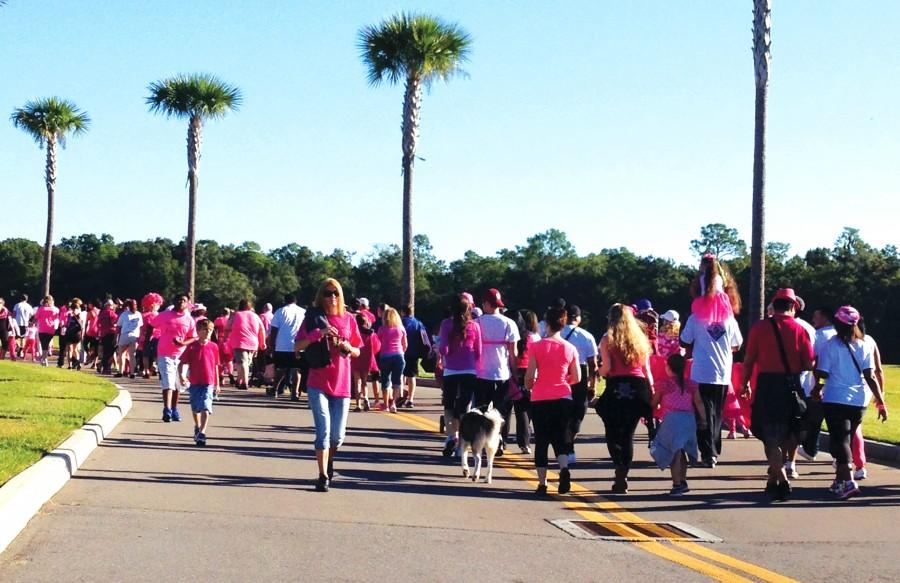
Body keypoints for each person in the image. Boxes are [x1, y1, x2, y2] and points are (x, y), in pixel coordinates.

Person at [740, 288, 813, 501]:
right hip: (791, 385)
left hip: (767, 385)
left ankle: (777, 478)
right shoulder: (800, 330)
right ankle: (778, 476)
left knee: (770, 436)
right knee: (788, 433)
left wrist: (744, 383)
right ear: (792, 307)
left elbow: (749, 359)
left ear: (774, 305)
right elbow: (809, 363)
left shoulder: (760, 327)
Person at [293, 278, 362, 492]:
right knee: (322, 431)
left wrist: (348, 347)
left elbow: (359, 349)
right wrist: (318, 334)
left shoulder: (349, 319)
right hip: (318, 382)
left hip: (342, 384)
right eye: (327, 293)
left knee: (338, 436)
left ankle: (329, 460)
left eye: (336, 293)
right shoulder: (314, 318)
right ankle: (322, 475)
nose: (332, 297)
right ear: (320, 296)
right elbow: (297, 346)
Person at [813, 306, 888, 499]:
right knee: (845, 437)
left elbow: (822, 374)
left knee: (840, 441)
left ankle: (848, 482)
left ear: (837, 324)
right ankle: (839, 481)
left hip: (835, 399)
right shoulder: (865, 344)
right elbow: (870, 375)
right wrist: (880, 402)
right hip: (859, 401)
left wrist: (817, 389)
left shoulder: (830, 345)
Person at [680, 292, 743, 468]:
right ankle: (714, 450)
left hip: (700, 372)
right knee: (716, 413)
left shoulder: (695, 318)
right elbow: (737, 344)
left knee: (702, 413)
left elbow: (685, 340)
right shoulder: (730, 320)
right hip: (722, 373)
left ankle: (708, 452)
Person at [597, 304, 653, 494]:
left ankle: (619, 464)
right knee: (628, 433)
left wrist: (598, 371)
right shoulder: (640, 339)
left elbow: (607, 367)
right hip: (638, 386)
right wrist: (651, 391)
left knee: (612, 430)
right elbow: (646, 369)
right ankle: (624, 472)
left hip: (617, 386)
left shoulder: (607, 339)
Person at [524, 302, 579, 496]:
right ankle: (564, 468)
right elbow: (577, 377)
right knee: (560, 437)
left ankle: (542, 482)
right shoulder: (570, 348)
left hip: (540, 397)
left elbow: (530, 375)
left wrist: (530, 385)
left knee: (542, 440)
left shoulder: (537, 347)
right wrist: (564, 380)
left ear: (547, 323)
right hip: (563, 396)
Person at [649, 354, 707, 496]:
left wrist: (650, 410)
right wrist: (704, 419)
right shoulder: (691, 384)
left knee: (674, 453)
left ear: (668, 368)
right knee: (682, 452)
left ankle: (677, 484)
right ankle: (683, 480)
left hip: (672, 420)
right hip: (688, 419)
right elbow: (699, 402)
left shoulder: (664, 384)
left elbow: (654, 403)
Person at [475, 288, 519, 454]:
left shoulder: (477, 323)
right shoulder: (509, 323)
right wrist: (515, 373)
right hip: (502, 373)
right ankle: (500, 438)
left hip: (481, 373)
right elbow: (513, 353)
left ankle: (483, 438)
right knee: (502, 410)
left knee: (482, 409)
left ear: (485, 304)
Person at [438, 294, 482, 457]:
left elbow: (444, 349)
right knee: (464, 408)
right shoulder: (475, 326)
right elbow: (479, 351)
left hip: (451, 370)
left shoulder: (446, 324)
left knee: (449, 405)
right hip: (469, 371)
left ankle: (451, 436)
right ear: (469, 308)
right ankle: (462, 443)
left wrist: (444, 352)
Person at [559, 304, 598, 464]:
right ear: (578, 318)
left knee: (563, 411)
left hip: (560, 374)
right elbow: (593, 365)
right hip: (580, 375)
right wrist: (592, 385)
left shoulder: (557, 333)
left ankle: (563, 444)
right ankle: (570, 443)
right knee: (578, 411)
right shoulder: (586, 336)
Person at [151, 295, 198, 422]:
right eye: (178, 300)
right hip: (165, 353)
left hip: (181, 356)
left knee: (178, 384)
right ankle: (167, 410)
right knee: (168, 381)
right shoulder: (165, 315)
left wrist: (183, 343)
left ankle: (174, 408)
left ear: (187, 303)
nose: (180, 302)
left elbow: (193, 337)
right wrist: (149, 340)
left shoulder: (189, 320)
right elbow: (152, 324)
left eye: (183, 301)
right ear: (173, 302)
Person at [178, 318, 220, 446]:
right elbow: (182, 363)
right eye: (205, 330)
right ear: (198, 331)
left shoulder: (214, 347)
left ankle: (202, 433)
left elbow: (216, 365)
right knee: (195, 407)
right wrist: (182, 376)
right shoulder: (191, 347)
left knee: (206, 406)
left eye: (211, 330)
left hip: (208, 382)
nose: (208, 332)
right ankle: (197, 426)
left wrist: (217, 384)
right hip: (195, 382)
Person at [508, 309, 539, 453]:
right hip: (529, 372)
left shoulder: (511, 336)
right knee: (523, 410)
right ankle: (524, 442)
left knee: (505, 408)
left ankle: (501, 440)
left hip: (512, 372)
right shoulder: (534, 337)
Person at [268, 294, 306, 400]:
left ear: (285, 301)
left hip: (282, 345)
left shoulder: (280, 311)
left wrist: (271, 345)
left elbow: (274, 330)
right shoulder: (303, 312)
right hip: (299, 345)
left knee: (281, 369)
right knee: (297, 370)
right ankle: (295, 393)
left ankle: (275, 389)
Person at [226, 299, 266, 390]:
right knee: (245, 363)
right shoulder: (255, 316)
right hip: (252, 342)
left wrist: (230, 318)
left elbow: (227, 327)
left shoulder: (236, 315)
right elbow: (261, 329)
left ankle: (245, 382)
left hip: (239, 342)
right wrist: (262, 342)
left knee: (242, 362)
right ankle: (239, 380)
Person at [376, 306, 408, 413]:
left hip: (385, 356)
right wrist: (401, 352)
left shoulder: (382, 329)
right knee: (397, 381)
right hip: (398, 356)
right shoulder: (401, 328)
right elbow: (405, 345)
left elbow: (378, 342)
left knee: (385, 380)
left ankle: (385, 404)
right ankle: (393, 403)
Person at [400, 304, 429, 408]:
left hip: (402, 352)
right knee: (412, 376)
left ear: (403, 312)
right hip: (414, 353)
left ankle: (401, 396)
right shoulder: (418, 323)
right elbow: (425, 338)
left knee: (401, 375)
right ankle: (410, 399)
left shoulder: (400, 323)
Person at [352, 312, 380, 411]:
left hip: (356, 357)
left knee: (357, 382)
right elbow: (377, 346)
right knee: (364, 382)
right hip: (367, 358)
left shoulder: (355, 332)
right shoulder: (371, 333)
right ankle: (366, 398)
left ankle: (358, 404)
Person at [115, 299, 143, 379]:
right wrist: (140, 336)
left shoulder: (124, 314)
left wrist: (116, 337)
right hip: (134, 336)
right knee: (132, 355)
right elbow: (140, 326)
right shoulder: (139, 314)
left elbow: (118, 326)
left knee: (122, 354)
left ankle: (120, 371)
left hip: (125, 335)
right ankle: (132, 372)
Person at [35, 295, 60, 367]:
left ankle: (44, 360)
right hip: (50, 329)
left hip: (42, 329)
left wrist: (32, 323)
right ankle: (44, 359)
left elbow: (36, 318)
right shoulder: (55, 309)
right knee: (47, 345)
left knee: (44, 345)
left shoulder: (41, 309)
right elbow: (57, 318)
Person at [96, 300, 119, 374]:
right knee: (111, 352)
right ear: (109, 305)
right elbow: (115, 322)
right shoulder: (111, 313)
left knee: (106, 351)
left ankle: (103, 366)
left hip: (103, 334)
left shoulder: (102, 313)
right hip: (111, 333)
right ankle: (107, 368)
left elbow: (98, 323)